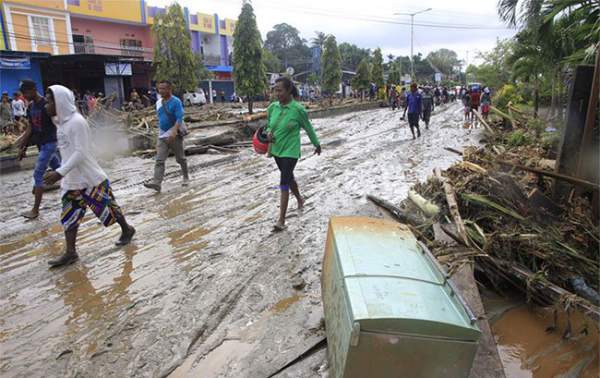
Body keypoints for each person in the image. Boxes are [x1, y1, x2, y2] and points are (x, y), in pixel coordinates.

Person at [42, 85, 135, 267]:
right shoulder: (61, 123)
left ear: (59, 102)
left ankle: (127, 229)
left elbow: (80, 152)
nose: (46, 105)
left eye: (49, 101)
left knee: (108, 208)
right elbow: (68, 153)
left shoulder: (77, 122)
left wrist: (59, 172)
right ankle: (70, 252)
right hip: (71, 181)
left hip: (90, 179)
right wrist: (61, 172)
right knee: (69, 217)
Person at [266, 77, 321, 231]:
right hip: (277, 150)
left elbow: (308, 128)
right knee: (289, 178)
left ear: (289, 90)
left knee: (284, 180)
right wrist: (268, 133)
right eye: (275, 90)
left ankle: (281, 220)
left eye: (280, 90)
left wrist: (316, 144)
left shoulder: (298, 110)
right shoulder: (272, 108)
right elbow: (268, 126)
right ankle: (300, 199)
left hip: (291, 151)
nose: (277, 93)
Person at [18, 80, 62, 219]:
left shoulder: (47, 105)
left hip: (50, 143)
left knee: (38, 175)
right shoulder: (31, 107)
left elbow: (58, 122)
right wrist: (22, 147)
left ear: (32, 90)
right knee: (61, 169)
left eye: (25, 93)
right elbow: (31, 128)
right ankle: (83, 188)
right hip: (42, 144)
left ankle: (35, 210)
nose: (24, 96)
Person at [143, 80, 189, 193]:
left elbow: (179, 118)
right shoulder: (158, 102)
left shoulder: (176, 102)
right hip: (162, 135)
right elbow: (160, 118)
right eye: (160, 88)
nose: (161, 91)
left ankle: (186, 177)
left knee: (180, 159)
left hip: (175, 135)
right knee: (159, 160)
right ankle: (157, 183)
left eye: (164, 88)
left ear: (169, 89)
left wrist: (174, 132)